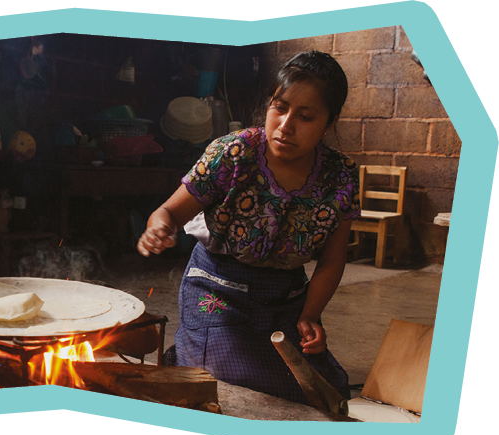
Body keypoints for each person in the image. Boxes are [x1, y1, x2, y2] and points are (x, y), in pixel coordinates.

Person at [137, 50, 359, 405]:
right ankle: (192, 349)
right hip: (217, 289)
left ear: (329, 123)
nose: (285, 125)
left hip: (283, 299)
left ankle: (197, 349)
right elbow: (169, 212)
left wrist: (309, 316)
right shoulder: (234, 153)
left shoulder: (340, 175)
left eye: (305, 116)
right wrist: (159, 228)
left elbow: (332, 261)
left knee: (323, 389)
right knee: (234, 374)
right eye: (279, 108)